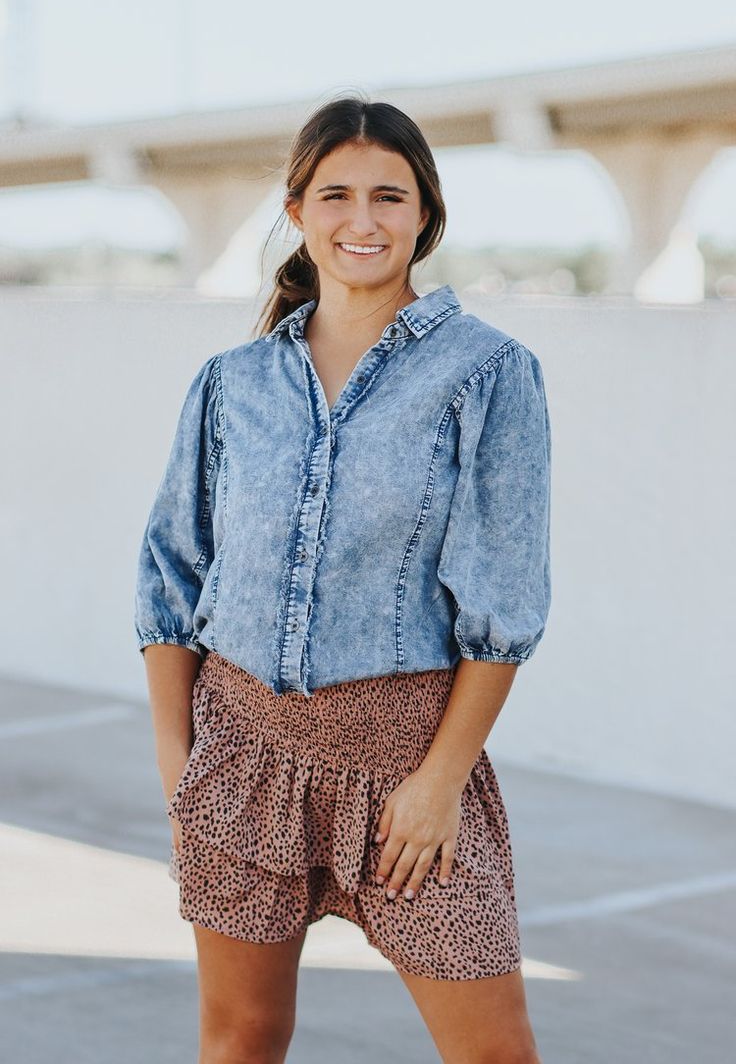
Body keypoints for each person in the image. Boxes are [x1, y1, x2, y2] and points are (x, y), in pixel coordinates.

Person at [134, 93, 552, 1064]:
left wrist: (440, 780)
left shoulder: (488, 374)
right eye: (335, 195)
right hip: (239, 759)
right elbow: (171, 576)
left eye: (387, 197)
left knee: (494, 1053)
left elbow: (503, 601)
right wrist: (177, 764)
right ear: (296, 211)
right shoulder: (232, 382)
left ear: (423, 216)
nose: (360, 220)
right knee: (240, 1038)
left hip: (406, 771)